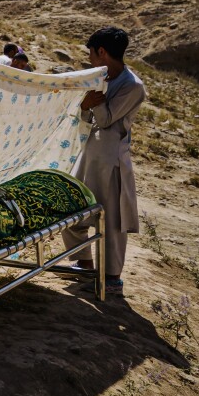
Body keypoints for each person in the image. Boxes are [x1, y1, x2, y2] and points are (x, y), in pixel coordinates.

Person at [63, 27, 145, 296]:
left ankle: (111, 277)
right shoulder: (99, 77)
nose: (91, 61)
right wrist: (86, 105)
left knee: (111, 220)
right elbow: (86, 118)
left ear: (102, 52)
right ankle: (84, 263)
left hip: (111, 161)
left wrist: (92, 102)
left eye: (92, 54)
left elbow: (108, 119)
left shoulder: (132, 86)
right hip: (89, 155)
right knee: (73, 210)